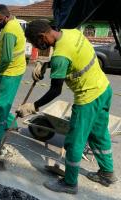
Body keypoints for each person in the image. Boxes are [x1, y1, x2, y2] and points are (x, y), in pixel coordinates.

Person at [17, 20, 117, 194]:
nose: (38, 47)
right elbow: (72, 58)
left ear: (42, 36)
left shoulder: (60, 57)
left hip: (88, 99)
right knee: (99, 134)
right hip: (104, 89)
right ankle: (107, 173)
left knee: (74, 142)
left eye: (36, 43)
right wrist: (45, 65)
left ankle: (70, 184)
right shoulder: (71, 32)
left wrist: (33, 106)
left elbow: (55, 90)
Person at [0, 4, 27, 156]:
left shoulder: (10, 29)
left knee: (1, 105)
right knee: (4, 100)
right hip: (13, 69)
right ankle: (12, 124)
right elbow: (6, 48)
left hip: (10, 71)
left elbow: (8, 57)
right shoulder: (13, 23)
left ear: (6, 16)